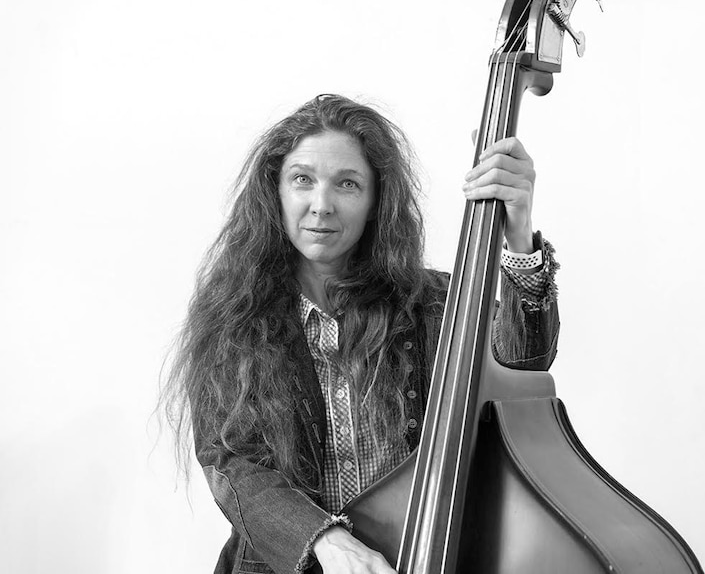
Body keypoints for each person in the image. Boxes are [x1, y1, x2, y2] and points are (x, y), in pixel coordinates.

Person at [163, 94, 560, 574]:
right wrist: (328, 543)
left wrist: (517, 232)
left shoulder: (433, 303)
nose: (321, 205)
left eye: (347, 184)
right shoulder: (232, 316)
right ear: (277, 192)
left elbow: (524, 364)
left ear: (376, 203)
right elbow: (232, 464)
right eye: (302, 180)